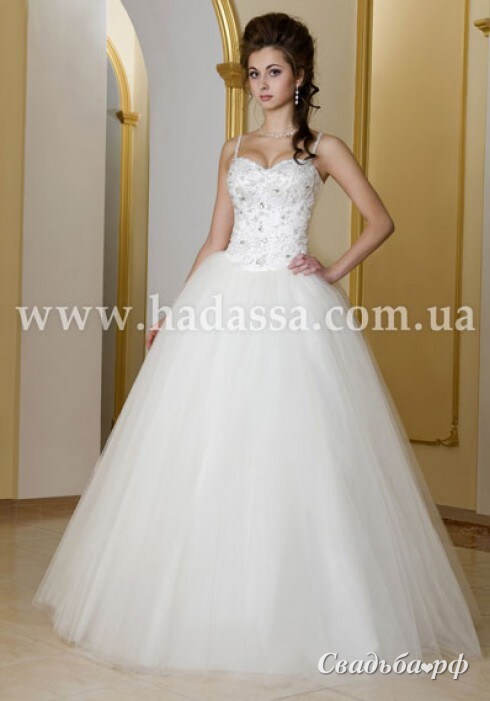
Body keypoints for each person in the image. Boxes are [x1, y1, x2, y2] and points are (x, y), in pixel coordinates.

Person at [33, 11, 483, 685]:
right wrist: (177, 311)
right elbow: (215, 238)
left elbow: (380, 220)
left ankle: (301, 611)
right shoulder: (232, 148)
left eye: (274, 71)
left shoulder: (323, 148)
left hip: (293, 305)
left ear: (299, 77)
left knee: (297, 453)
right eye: (253, 73)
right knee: (212, 446)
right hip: (225, 296)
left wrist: (331, 272)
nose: (262, 83)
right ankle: (200, 609)